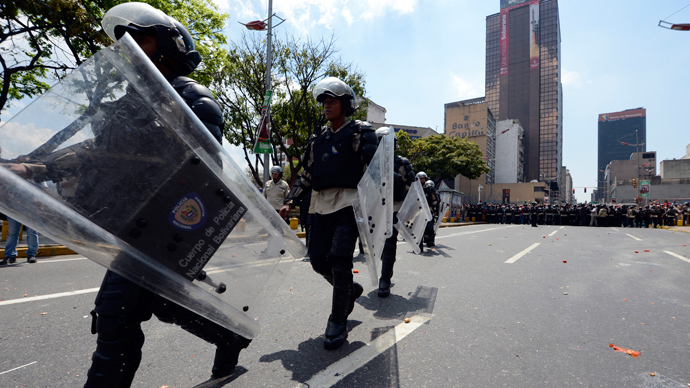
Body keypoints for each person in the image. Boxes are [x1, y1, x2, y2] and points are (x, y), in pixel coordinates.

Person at [279, 76, 377, 350]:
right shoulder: (318, 139)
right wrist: (289, 201)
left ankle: (337, 321)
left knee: (339, 259)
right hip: (320, 206)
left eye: (332, 101)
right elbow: (307, 174)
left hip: (349, 204)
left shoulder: (361, 133)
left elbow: (376, 172)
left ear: (345, 104)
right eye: (324, 101)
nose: (327, 105)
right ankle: (350, 290)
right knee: (318, 261)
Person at [375, 127, 415, 297]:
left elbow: (412, 187)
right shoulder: (370, 162)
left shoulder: (402, 163)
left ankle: (385, 279)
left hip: (394, 206)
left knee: (390, 242)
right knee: (377, 245)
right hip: (375, 207)